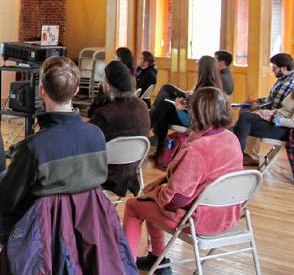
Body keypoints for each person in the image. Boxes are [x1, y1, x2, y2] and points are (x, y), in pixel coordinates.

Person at [0, 57, 107, 274]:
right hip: (87, 228)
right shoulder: (96, 135)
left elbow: (3, 203)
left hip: (42, 234)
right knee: (13, 182)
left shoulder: (34, 147)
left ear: (41, 90)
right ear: (76, 91)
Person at [123, 87, 242, 274]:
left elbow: (174, 200)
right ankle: (157, 259)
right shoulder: (231, 138)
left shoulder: (197, 150)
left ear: (196, 112)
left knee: (134, 205)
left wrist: (155, 192)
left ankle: (124, 265)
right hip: (227, 214)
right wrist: (161, 183)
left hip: (199, 220)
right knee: (151, 202)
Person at [89, 61, 150, 197]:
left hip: (106, 176)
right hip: (132, 174)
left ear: (108, 84)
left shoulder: (105, 114)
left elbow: (87, 141)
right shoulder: (142, 106)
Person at [150, 55, 223, 156]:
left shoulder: (205, 89)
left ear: (203, 69)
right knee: (163, 109)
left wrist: (180, 108)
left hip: (194, 121)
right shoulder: (213, 85)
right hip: (193, 115)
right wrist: (185, 102)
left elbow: (198, 113)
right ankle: (159, 149)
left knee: (163, 107)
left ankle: (147, 132)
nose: (196, 68)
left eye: (198, 66)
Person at [233, 53, 294, 166]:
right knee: (244, 115)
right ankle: (244, 153)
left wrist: (260, 108)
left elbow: (276, 106)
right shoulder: (283, 79)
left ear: (284, 68)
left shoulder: (289, 83)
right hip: (275, 117)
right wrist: (257, 101)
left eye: (274, 68)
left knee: (245, 118)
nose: (272, 70)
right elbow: (271, 100)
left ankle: (238, 155)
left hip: (280, 127)